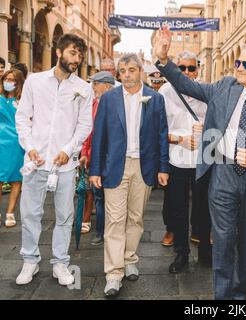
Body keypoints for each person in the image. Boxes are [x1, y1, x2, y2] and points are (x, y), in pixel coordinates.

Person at [154, 26, 246, 300]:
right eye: (237, 62)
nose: (238, 67)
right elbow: (187, 85)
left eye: (245, 64)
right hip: (221, 175)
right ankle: (222, 297)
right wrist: (163, 59)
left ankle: (240, 298)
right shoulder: (224, 87)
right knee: (222, 242)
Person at [15, 33, 93, 286]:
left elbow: (84, 125)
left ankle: (60, 263)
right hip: (36, 162)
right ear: (58, 52)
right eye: (72, 52)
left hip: (65, 165)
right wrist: (29, 148)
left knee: (64, 215)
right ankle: (30, 261)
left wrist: (69, 149)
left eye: (80, 55)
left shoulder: (83, 88)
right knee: (29, 214)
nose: (77, 59)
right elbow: (23, 117)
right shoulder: (35, 82)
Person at [89, 53, 170, 298]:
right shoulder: (109, 99)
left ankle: (129, 257)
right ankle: (113, 274)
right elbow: (99, 135)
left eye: (131, 70)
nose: (126, 75)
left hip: (144, 166)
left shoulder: (155, 99)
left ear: (140, 72)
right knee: (114, 220)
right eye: (122, 71)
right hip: (116, 165)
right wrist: (95, 170)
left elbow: (161, 134)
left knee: (135, 218)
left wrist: (163, 168)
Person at [159, 51, 209, 273]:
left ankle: (205, 251)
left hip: (203, 160)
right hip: (176, 160)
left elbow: (221, 126)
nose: (186, 72)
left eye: (191, 68)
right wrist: (179, 139)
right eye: (182, 68)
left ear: (197, 70)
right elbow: (157, 131)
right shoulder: (164, 92)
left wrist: (207, 131)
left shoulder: (205, 91)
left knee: (204, 207)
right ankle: (181, 253)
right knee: (178, 209)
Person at [79, 71, 115, 246]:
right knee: (98, 196)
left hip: (113, 159)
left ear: (107, 85)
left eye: (96, 84)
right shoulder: (92, 104)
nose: (92, 87)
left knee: (113, 198)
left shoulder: (117, 104)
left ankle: (113, 231)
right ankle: (101, 232)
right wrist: (84, 153)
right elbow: (87, 132)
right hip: (95, 157)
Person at [0, 69, 25, 228]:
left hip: (17, 142)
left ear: (18, 83)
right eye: (6, 79)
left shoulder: (22, 101)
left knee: (16, 179)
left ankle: (10, 213)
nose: (8, 82)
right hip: (0, 142)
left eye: (12, 79)